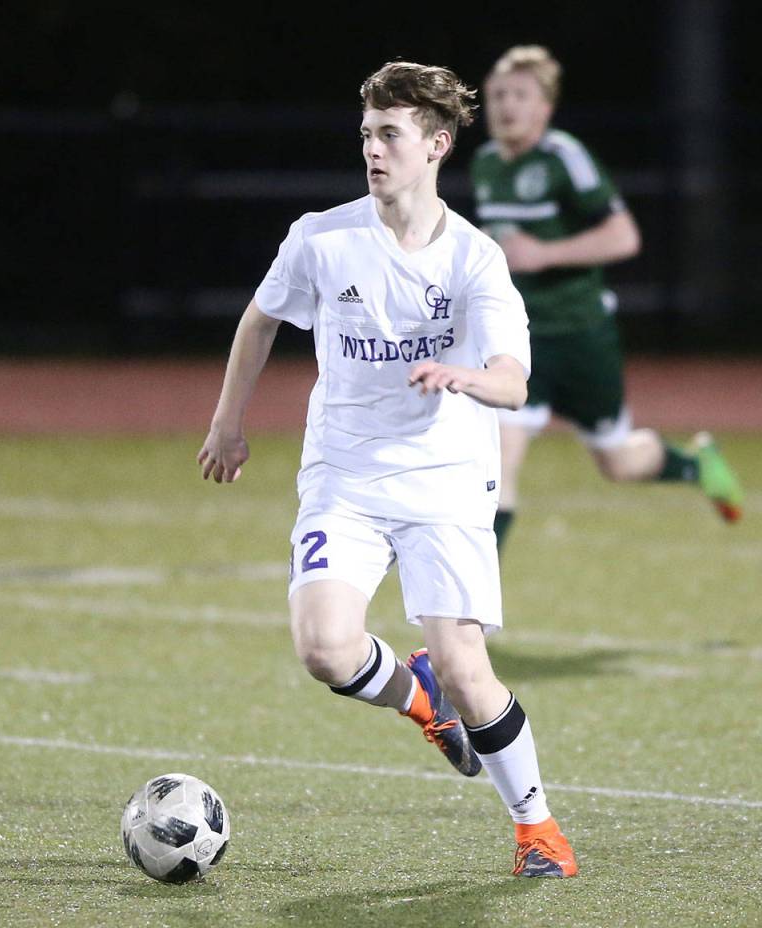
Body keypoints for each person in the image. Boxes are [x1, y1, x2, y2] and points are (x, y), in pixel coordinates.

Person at [198, 60, 577, 880]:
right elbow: (260, 321)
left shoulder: (474, 259)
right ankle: (418, 700)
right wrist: (228, 424)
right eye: (367, 134)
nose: (373, 149)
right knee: (324, 649)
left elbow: (513, 382)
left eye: (391, 135)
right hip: (345, 474)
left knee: (468, 669)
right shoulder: (321, 238)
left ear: (436, 145)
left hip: (446, 478)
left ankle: (537, 830)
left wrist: (464, 377)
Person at [470, 45, 744, 549]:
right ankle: (472, 599)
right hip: (521, 340)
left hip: (581, 336)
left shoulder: (565, 159)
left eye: (520, 95)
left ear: (545, 107)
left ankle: (696, 466)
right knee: (497, 466)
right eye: (499, 95)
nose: (507, 105)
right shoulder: (486, 163)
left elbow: (624, 237)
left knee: (618, 462)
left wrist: (545, 253)